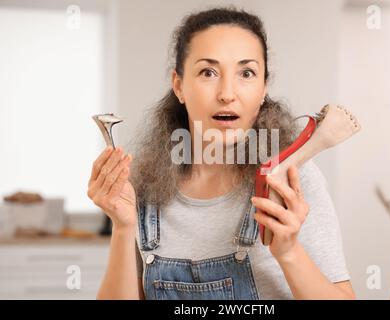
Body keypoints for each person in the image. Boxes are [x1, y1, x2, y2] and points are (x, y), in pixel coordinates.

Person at [87, 6, 355, 300]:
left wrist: (289, 252)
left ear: (264, 87)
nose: (227, 93)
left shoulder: (295, 179)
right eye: (208, 72)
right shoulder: (143, 187)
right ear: (179, 86)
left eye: (247, 73)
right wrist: (123, 227)